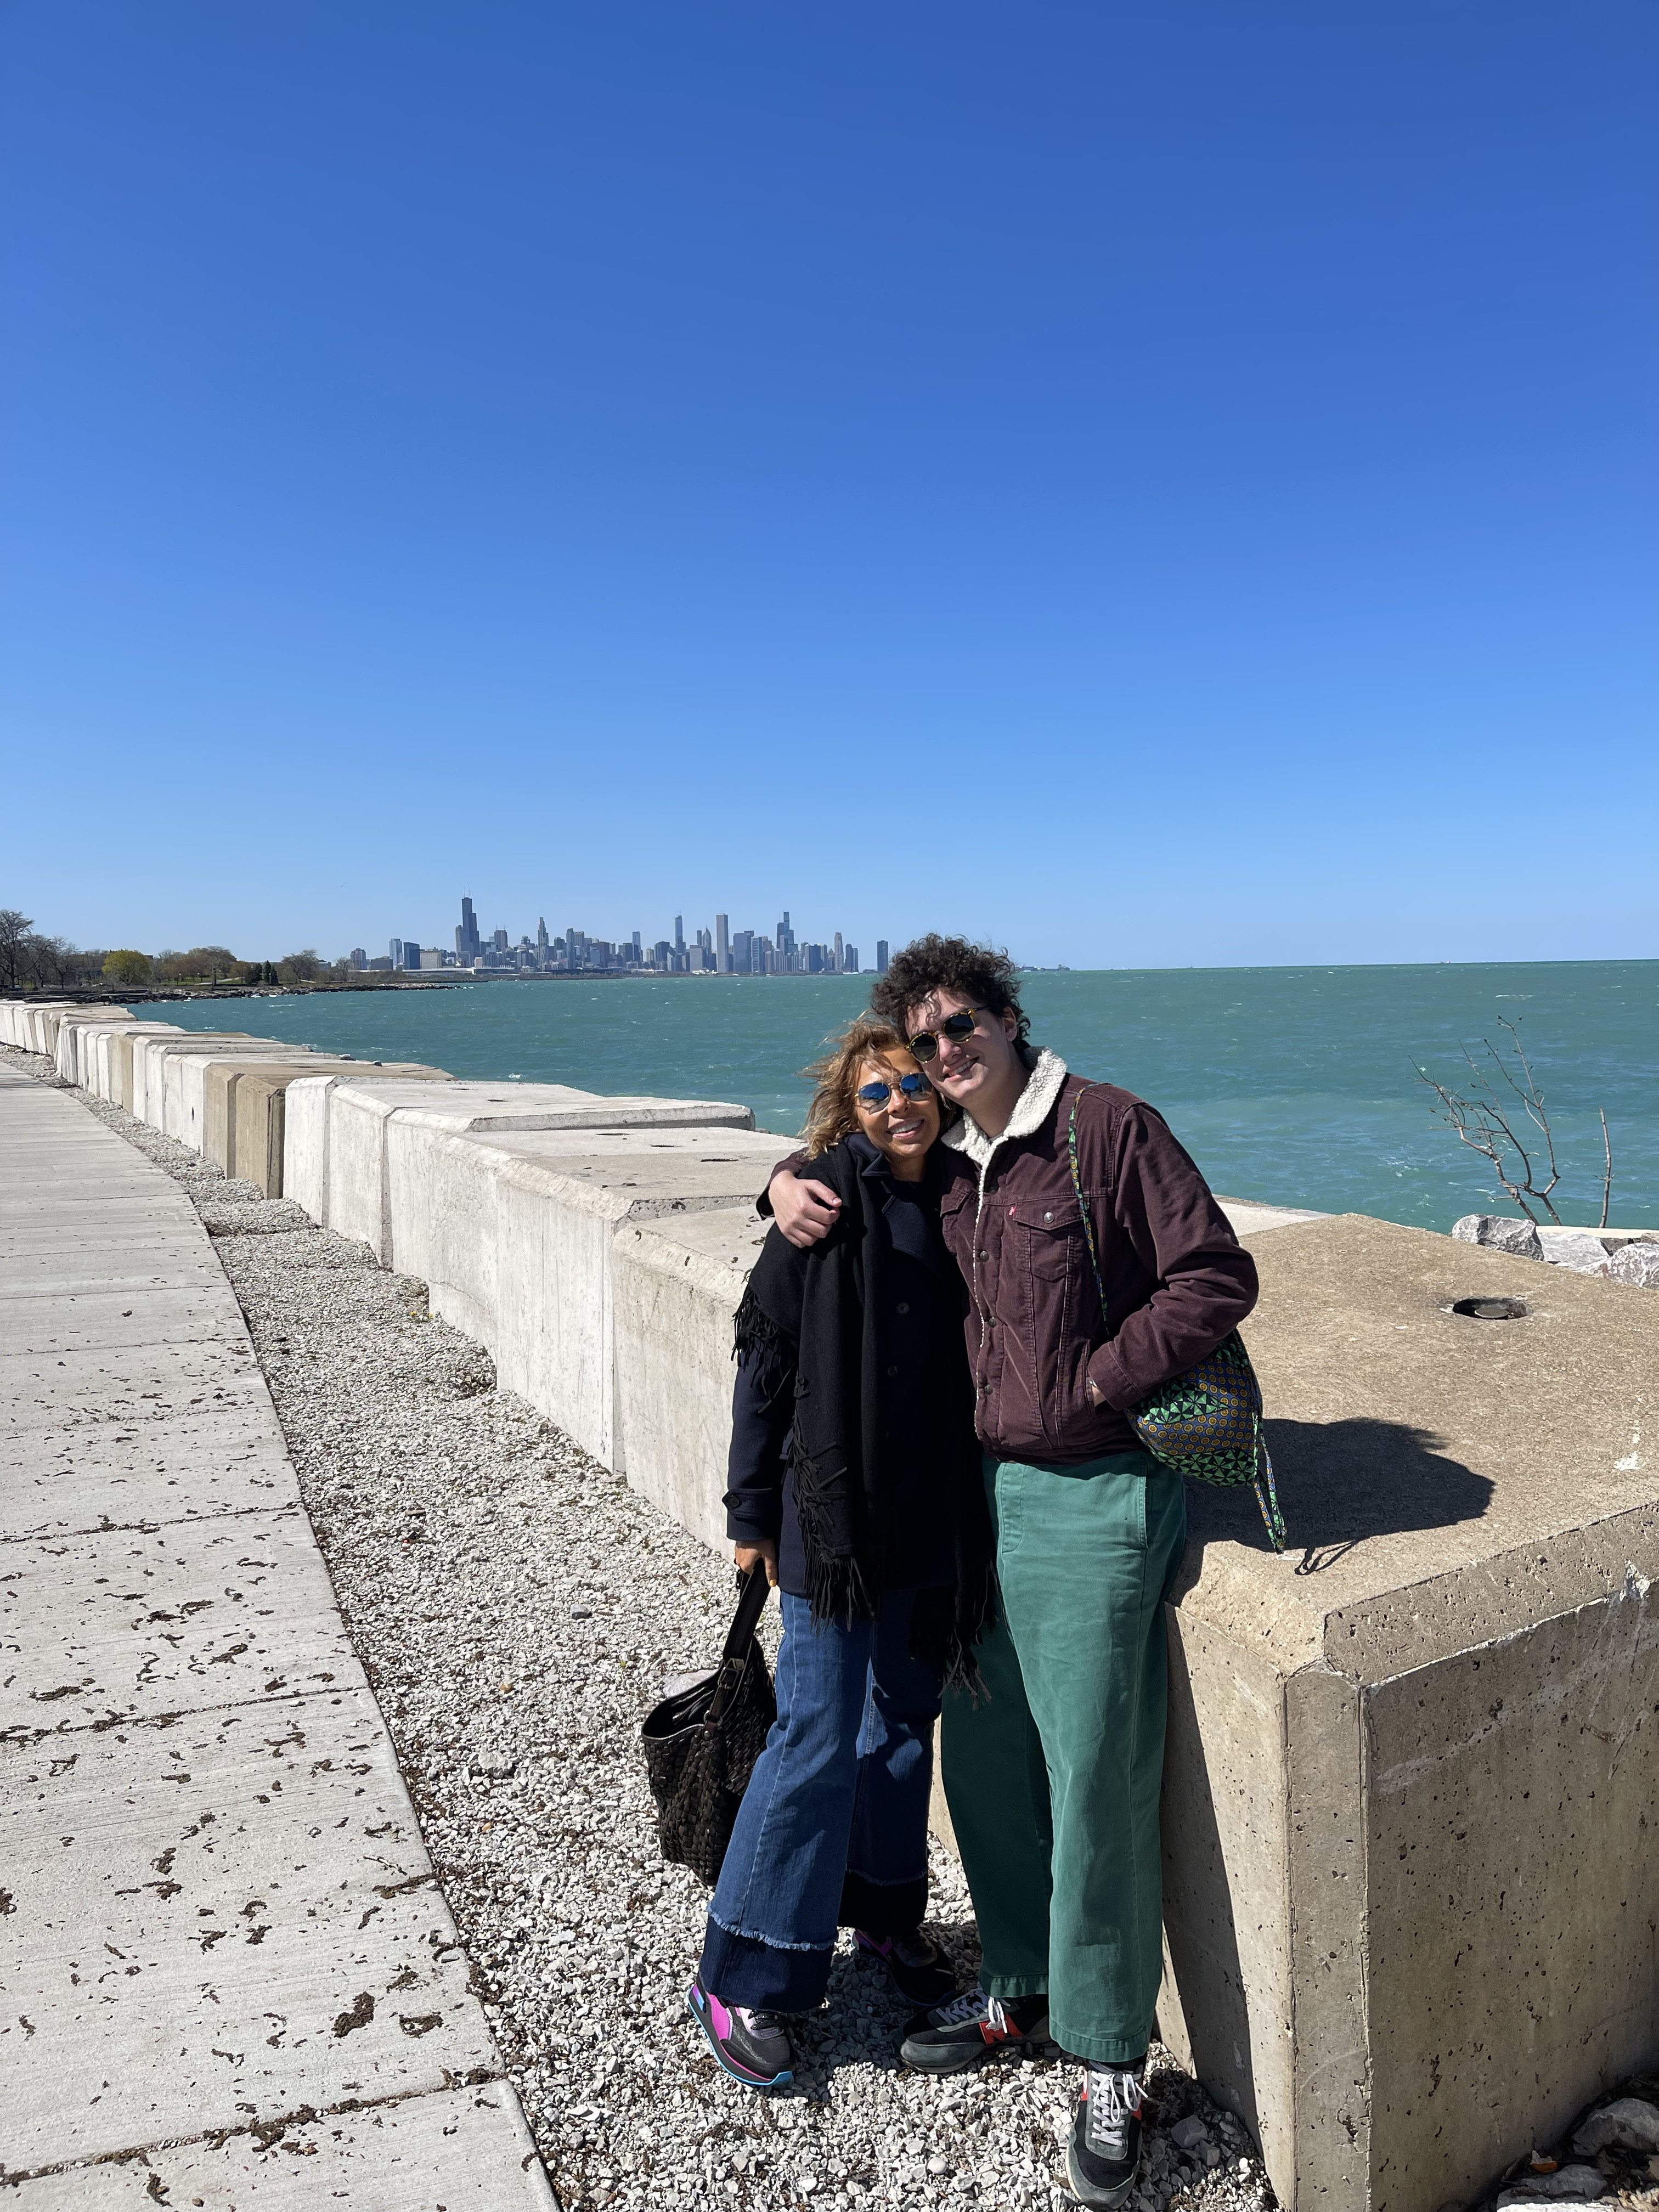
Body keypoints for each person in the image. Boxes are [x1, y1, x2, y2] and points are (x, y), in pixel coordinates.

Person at [762, 939, 1259, 2209]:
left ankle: (1106, 2054)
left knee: (1096, 1772)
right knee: (983, 1758)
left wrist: (1098, 1380)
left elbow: (1215, 1274)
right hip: (968, 1501)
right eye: (924, 1040)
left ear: (1007, 1017)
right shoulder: (946, 1160)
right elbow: (846, 1175)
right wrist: (780, 1181)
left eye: (962, 1025)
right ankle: (1022, 1987)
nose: (945, 1052)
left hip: (1093, 1491)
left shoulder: (1104, 1128)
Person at [689, 1017, 996, 2092]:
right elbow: (764, 1363)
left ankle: (882, 1916)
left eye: (913, 1085)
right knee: (816, 1734)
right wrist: (750, 1515)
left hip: (931, 1520)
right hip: (834, 1521)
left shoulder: (964, 1197)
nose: (899, 1104)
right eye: (876, 1092)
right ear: (849, 1109)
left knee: (903, 1724)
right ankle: (745, 1970)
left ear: (941, 1094)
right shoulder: (818, 1202)